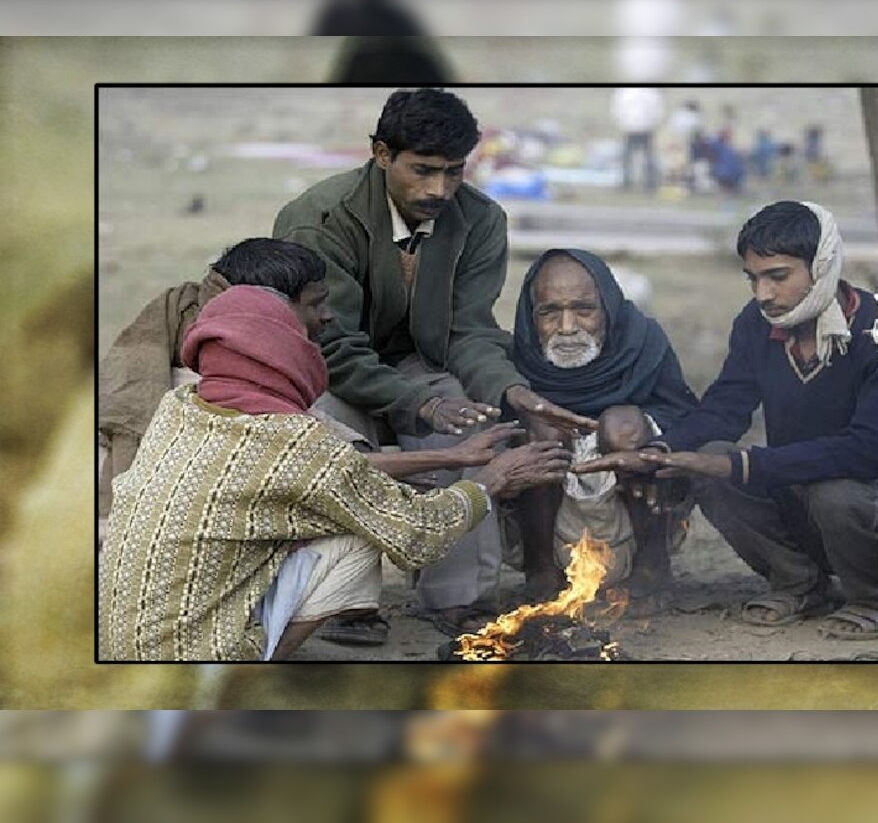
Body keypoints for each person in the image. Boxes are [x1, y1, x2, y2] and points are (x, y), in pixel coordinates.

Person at [98, 272, 572, 661]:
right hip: (196, 660)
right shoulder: (292, 441)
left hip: (118, 644)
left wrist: (456, 457)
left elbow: (336, 474)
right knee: (358, 535)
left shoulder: (180, 407)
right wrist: (492, 480)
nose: (324, 320)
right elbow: (415, 532)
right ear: (282, 348)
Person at [272, 87, 594, 635]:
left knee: (474, 429)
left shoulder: (481, 219)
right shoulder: (319, 219)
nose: (438, 189)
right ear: (380, 155)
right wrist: (420, 404)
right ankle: (344, 603)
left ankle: (457, 598)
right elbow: (330, 343)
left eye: (453, 172)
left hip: (419, 364)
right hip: (325, 368)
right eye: (422, 170)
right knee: (335, 447)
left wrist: (511, 392)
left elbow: (468, 330)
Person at [577, 201, 878, 639]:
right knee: (707, 458)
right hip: (800, 504)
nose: (763, 294)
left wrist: (744, 465)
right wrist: (660, 451)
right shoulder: (756, 325)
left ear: (822, 266)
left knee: (832, 491)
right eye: (754, 279)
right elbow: (725, 407)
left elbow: (867, 451)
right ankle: (800, 584)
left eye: (777, 276)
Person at [508, 249, 698, 604]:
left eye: (584, 310)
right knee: (541, 427)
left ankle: (651, 565)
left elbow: (685, 416)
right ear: (530, 315)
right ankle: (541, 571)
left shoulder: (643, 342)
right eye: (549, 312)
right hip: (548, 516)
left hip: (631, 508)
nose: (567, 327)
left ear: (608, 307)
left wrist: (648, 450)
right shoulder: (518, 356)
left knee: (622, 426)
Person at [610, 87, 664, 193]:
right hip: (641, 128)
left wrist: (623, 124)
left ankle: (630, 182)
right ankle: (646, 183)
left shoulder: (624, 92)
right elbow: (657, 111)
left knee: (632, 157)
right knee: (643, 157)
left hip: (634, 128)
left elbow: (618, 111)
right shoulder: (651, 93)